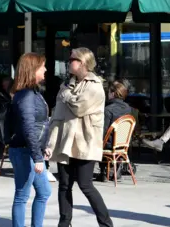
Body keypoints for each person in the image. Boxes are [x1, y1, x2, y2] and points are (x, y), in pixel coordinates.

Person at [46, 47, 113, 227]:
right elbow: (57, 116)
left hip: (85, 141)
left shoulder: (95, 85)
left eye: (71, 60)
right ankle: (64, 223)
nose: (68, 62)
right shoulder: (67, 83)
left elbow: (79, 107)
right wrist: (50, 143)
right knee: (64, 185)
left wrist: (66, 95)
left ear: (82, 62)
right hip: (66, 141)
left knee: (86, 185)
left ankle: (106, 224)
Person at [8, 53, 51, 227]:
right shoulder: (26, 96)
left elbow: (38, 124)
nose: (46, 69)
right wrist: (37, 156)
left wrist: (43, 146)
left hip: (31, 150)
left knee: (44, 192)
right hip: (24, 151)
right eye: (43, 67)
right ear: (33, 70)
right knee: (22, 195)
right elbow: (28, 126)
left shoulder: (33, 93)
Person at [98, 79, 133, 181]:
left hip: (109, 144)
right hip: (123, 145)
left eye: (108, 92)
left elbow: (103, 131)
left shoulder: (108, 110)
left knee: (96, 140)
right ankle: (115, 168)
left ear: (113, 93)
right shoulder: (128, 109)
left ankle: (104, 171)